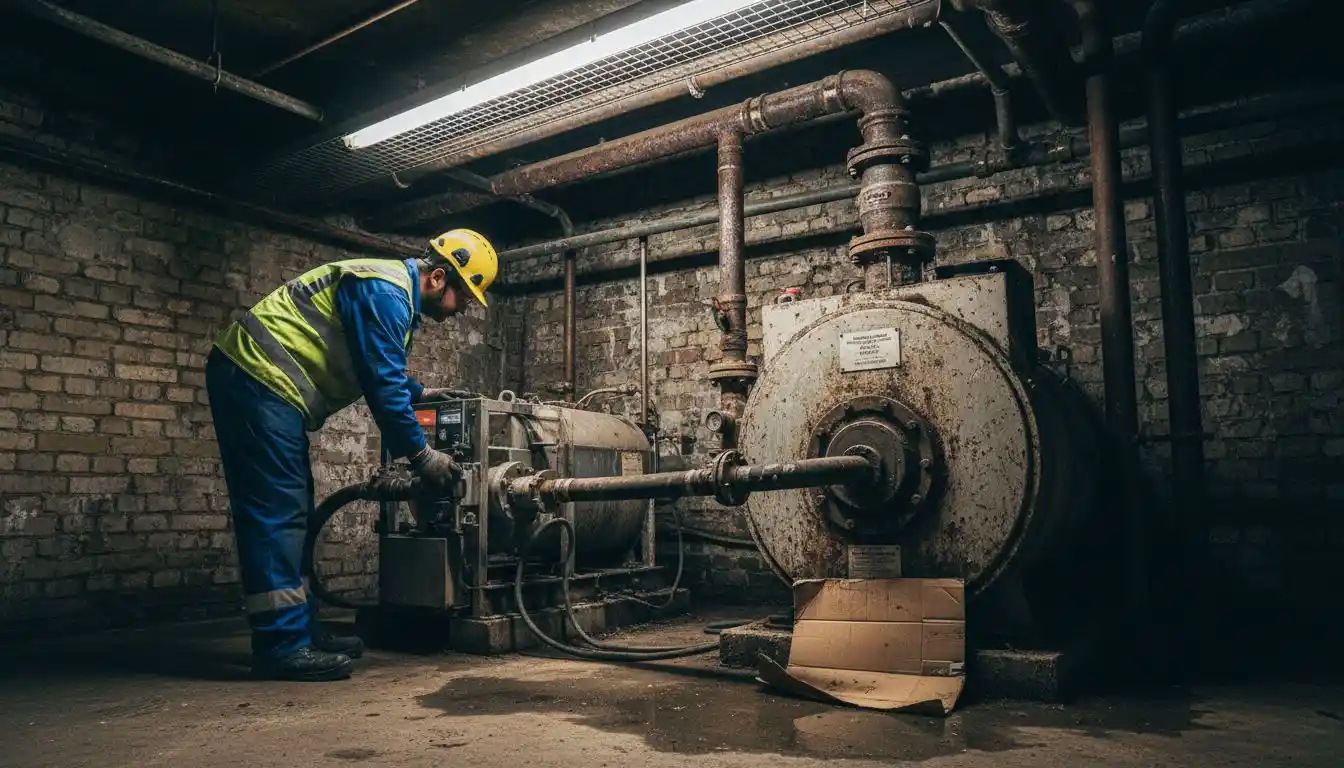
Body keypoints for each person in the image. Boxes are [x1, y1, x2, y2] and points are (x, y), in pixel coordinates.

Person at [205, 229, 497, 681]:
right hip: (255, 377)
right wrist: (422, 458)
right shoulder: (384, 292)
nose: (460, 312)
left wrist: (421, 392)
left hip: (267, 389)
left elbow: (377, 363)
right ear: (439, 278)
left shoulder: (389, 294)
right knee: (277, 511)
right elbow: (381, 385)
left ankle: (300, 631)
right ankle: (280, 646)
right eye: (463, 298)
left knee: (294, 508)